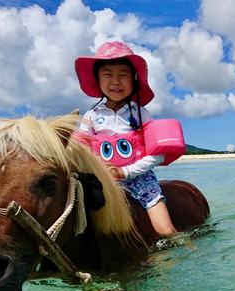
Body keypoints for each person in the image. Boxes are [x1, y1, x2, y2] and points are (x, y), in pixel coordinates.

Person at [74, 41, 177, 236]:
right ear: (98, 79)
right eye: (108, 75)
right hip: (104, 183)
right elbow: (81, 151)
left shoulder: (142, 114)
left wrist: (126, 171)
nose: (116, 81)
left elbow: (159, 155)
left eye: (123, 75)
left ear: (134, 79)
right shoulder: (91, 115)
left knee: (165, 231)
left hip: (141, 181)